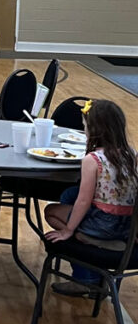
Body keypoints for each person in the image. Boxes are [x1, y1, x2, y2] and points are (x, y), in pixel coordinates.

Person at [44, 100, 137, 297]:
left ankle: (88, 266)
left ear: (93, 129)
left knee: (51, 212)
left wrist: (68, 230)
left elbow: (84, 201)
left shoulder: (92, 160)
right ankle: (92, 263)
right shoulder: (133, 155)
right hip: (127, 225)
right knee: (70, 194)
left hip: (102, 225)